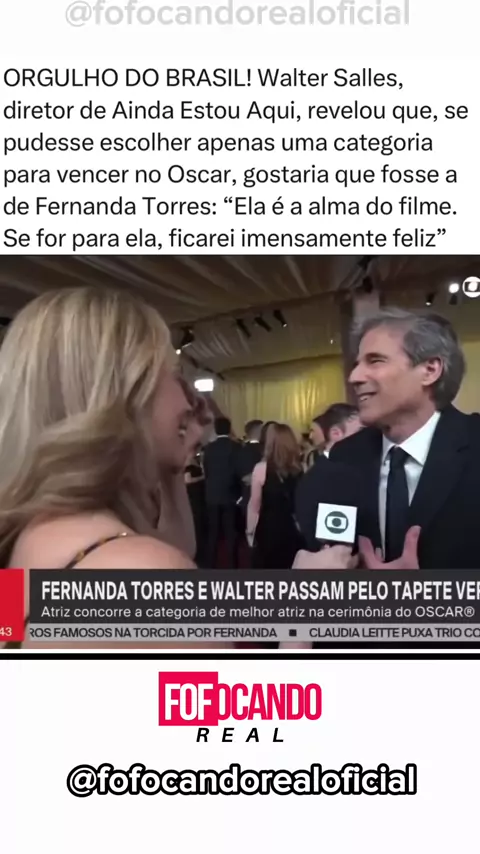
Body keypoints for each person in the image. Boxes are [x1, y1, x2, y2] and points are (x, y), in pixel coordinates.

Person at [329, 307, 480, 569]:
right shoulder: (345, 456)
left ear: (430, 370)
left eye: (375, 361)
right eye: (356, 364)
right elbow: (335, 547)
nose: (354, 377)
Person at [295, 403, 363, 550]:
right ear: (336, 433)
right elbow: (336, 547)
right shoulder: (330, 477)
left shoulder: (346, 470)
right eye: (360, 432)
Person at [247, 423, 305, 568]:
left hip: (269, 528)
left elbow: (254, 505)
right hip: (294, 527)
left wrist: (250, 531)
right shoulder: (302, 468)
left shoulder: (261, 468)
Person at [203, 416, 242, 568]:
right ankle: (233, 567)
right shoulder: (236, 447)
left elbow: (206, 471)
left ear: (215, 429)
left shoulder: (208, 448)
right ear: (229, 428)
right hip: (230, 495)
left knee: (212, 533)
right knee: (230, 533)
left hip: (212, 495)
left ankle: (209, 566)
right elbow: (238, 471)